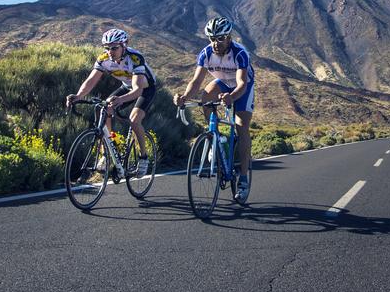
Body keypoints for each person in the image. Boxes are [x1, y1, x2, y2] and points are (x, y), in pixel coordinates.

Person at [173, 16, 255, 201]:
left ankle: (242, 179)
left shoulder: (239, 53)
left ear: (229, 37)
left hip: (243, 87)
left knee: (241, 126)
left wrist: (231, 97)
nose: (215, 43)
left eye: (220, 38)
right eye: (212, 38)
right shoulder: (205, 53)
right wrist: (184, 97)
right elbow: (196, 81)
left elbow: (242, 83)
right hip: (222, 83)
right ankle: (215, 137)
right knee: (206, 97)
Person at [66, 28, 156, 175]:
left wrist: (120, 99)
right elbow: (91, 80)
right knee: (104, 108)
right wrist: (78, 96)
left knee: (134, 120)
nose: (110, 51)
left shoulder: (135, 58)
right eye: (107, 48)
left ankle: (144, 157)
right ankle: (110, 147)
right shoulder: (103, 60)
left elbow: (138, 89)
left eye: (114, 48)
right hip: (127, 87)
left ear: (124, 45)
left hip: (145, 89)